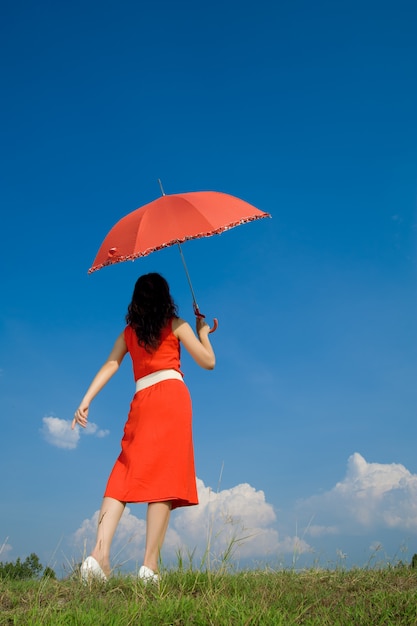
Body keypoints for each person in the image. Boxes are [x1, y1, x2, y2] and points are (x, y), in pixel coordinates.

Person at [72, 272, 215, 583]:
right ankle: (149, 567)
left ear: (135, 300)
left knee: (125, 469)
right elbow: (208, 362)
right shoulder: (177, 325)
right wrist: (203, 333)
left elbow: (111, 364)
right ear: (166, 297)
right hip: (173, 398)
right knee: (163, 475)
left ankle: (99, 555)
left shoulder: (128, 334)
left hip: (143, 399)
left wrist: (86, 399)